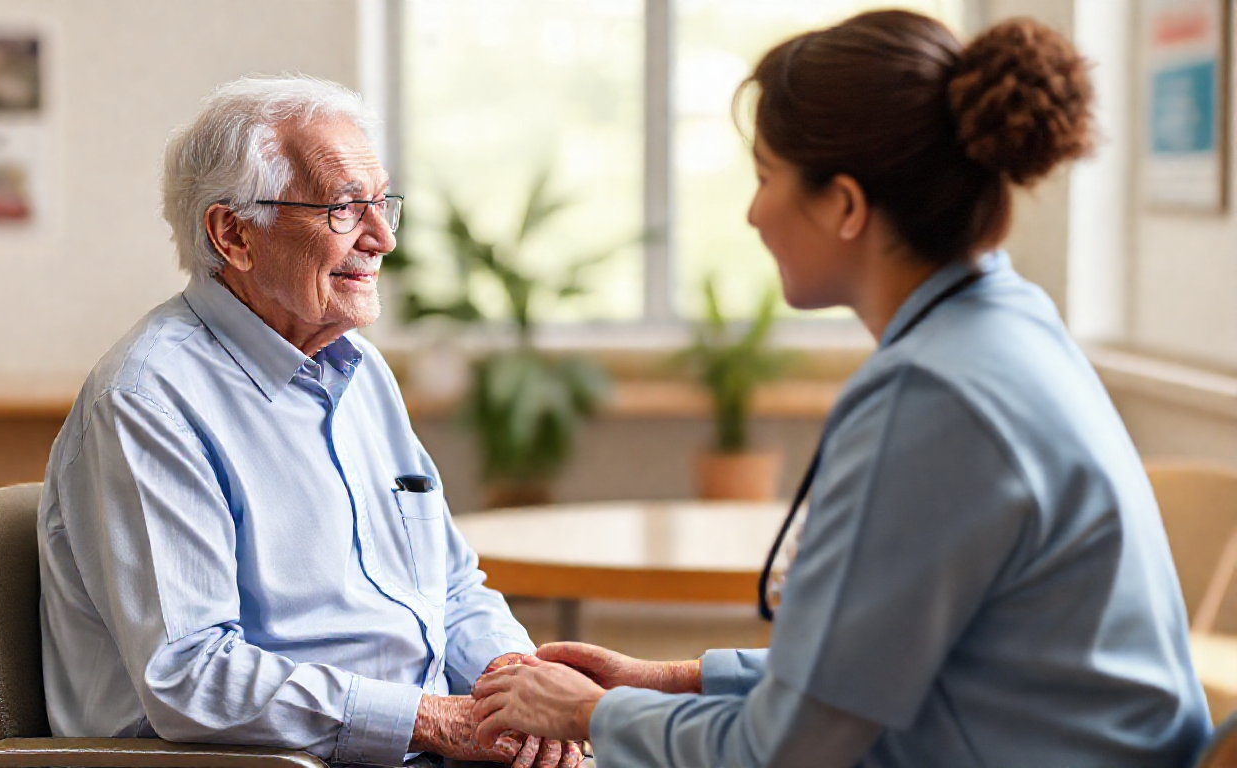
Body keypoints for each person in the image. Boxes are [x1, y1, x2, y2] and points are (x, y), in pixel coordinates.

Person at [471, 11, 1212, 768]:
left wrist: (590, 715)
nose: (752, 213)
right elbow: (878, 669)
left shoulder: (932, 398)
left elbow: (781, 754)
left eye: (766, 178)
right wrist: (674, 680)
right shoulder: (1007, 324)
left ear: (845, 206)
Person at [36, 74, 581, 768]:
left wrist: (514, 683)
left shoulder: (361, 370)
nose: (383, 238)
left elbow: (448, 584)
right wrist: (432, 720)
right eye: (345, 209)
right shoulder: (148, 400)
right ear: (234, 233)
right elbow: (191, 675)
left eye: (383, 203)